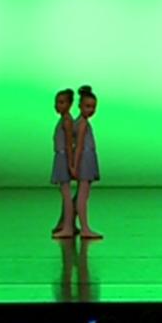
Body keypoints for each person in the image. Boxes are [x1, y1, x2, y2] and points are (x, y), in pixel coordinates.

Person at [71, 85, 102, 239]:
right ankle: (84, 228)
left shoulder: (79, 122)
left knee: (80, 195)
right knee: (83, 195)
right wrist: (75, 165)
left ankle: (70, 223)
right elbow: (79, 146)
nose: (91, 110)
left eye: (94, 107)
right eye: (88, 106)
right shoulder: (82, 124)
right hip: (85, 159)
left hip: (85, 158)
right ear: (80, 106)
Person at [51, 88, 77, 239]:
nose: (57, 106)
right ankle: (65, 223)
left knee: (66, 194)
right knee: (64, 194)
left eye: (61, 102)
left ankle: (68, 225)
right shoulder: (64, 119)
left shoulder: (67, 120)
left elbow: (68, 143)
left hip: (63, 157)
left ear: (69, 104)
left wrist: (70, 163)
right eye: (56, 103)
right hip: (60, 157)